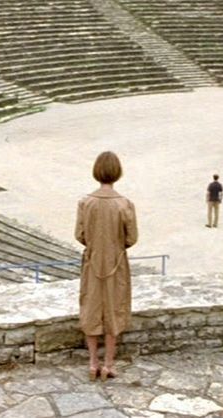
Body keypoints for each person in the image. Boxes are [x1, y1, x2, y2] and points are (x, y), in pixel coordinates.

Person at [74, 151, 138, 382]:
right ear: (117, 173)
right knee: (114, 310)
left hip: (92, 263)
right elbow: (132, 239)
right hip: (116, 263)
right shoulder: (125, 204)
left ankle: (93, 363)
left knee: (91, 309)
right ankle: (108, 364)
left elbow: (79, 235)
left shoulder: (85, 203)